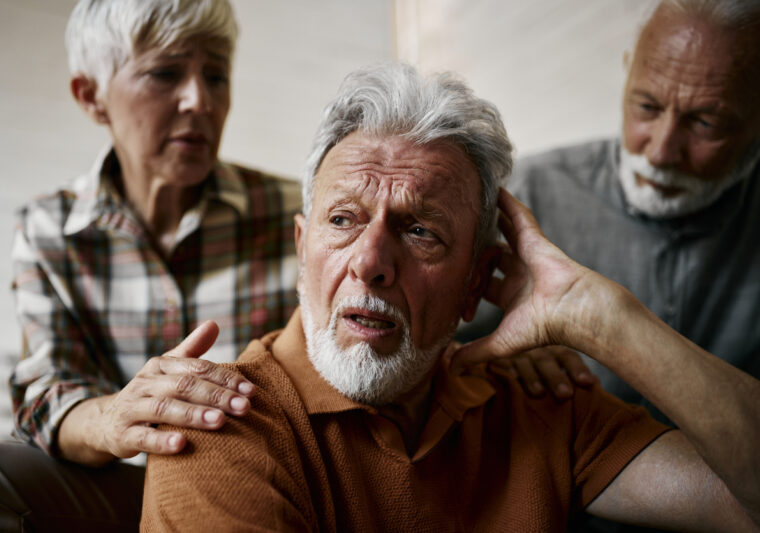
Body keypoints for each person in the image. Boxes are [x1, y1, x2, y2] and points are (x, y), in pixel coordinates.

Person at [140, 63, 760, 532]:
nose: (371, 263)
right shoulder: (216, 426)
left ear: (476, 282)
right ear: (302, 249)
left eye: (420, 231)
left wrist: (598, 316)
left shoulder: (537, 403)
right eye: (343, 220)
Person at [0, 1, 300, 531]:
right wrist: (115, 419)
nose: (199, 100)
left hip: (267, 481)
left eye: (216, 75)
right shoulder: (49, 228)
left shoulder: (294, 213)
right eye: (165, 73)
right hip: (125, 489)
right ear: (91, 96)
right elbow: (45, 392)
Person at [460, 0, 760, 413]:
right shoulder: (526, 193)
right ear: (627, 71)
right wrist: (494, 365)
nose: (660, 151)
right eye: (647, 107)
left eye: (706, 123)